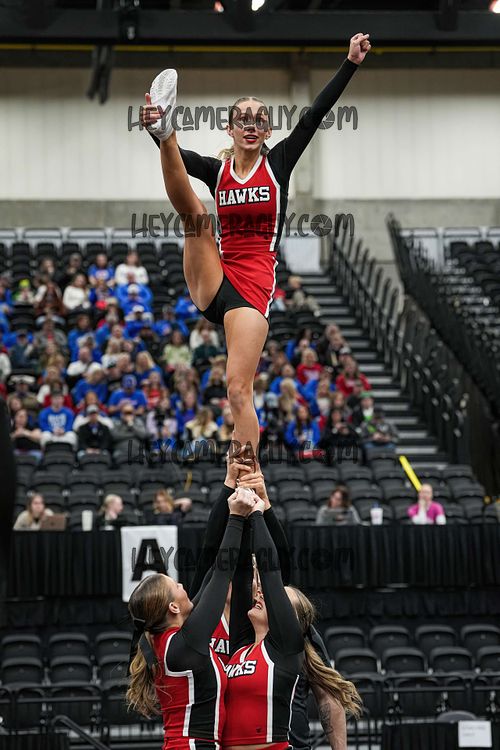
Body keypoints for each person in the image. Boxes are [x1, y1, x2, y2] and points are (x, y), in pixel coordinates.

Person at [142, 33, 371, 465]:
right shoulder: (219, 170)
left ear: (266, 130)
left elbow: (313, 117)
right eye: (241, 119)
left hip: (251, 290)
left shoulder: (277, 164)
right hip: (215, 277)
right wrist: (157, 133)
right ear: (229, 128)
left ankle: (244, 474)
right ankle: (165, 126)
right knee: (194, 216)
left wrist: (350, 64)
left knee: (237, 389)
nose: (250, 125)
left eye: (258, 119)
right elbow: (180, 162)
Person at [125, 488, 254, 747]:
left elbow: (212, 568)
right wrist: (237, 518)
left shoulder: (169, 640)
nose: (183, 585)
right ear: (173, 607)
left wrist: (230, 487)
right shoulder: (184, 644)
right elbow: (221, 575)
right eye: (176, 585)